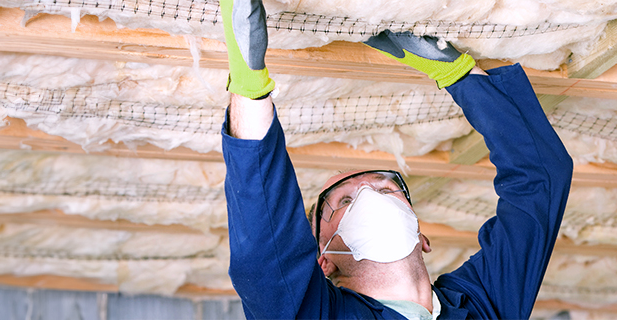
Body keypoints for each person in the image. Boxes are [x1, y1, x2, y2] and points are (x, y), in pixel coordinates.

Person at [220, 0, 574, 319]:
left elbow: (540, 177)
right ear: (324, 260)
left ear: (421, 235)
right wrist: (250, 89)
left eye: (387, 188)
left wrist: (457, 75)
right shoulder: (487, 309)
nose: (371, 196)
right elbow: (268, 257)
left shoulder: (472, 301)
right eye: (345, 200)